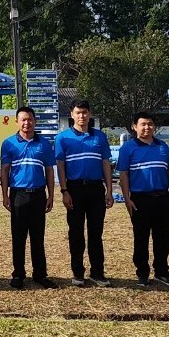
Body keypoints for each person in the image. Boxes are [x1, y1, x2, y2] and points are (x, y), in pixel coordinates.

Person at [54, 99, 114, 287]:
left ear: (90, 114)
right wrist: (64, 190)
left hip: (96, 189)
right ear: (71, 114)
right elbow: (60, 166)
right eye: (78, 112)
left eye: (85, 112)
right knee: (76, 232)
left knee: (96, 233)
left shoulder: (100, 137)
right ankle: (78, 273)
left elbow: (105, 163)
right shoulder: (62, 138)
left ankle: (97, 272)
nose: (82, 116)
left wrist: (109, 190)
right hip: (75, 189)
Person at [117, 112, 169, 288]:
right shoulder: (128, 148)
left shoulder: (162, 147)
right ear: (134, 126)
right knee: (141, 238)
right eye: (143, 124)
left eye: (150, 124)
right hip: (140, 199)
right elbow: (124, 175)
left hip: (162, 199)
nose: (147, 128)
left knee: (163, 237)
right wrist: (127, 198)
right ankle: (142, 273)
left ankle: (162, 272)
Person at [1, 106, 58, 290]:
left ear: (35, 121)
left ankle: (40, 275)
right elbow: (5, 171)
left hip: (39, 194)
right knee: (18, 237)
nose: (27, 123)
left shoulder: (44, 144)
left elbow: (49, 170)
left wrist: (51, 195)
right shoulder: (9, 143)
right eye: (23, 120)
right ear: (17, 122)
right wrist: (5, 195)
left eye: (30, 119)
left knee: (37, 237)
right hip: (18, 194)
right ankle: (18, 275)